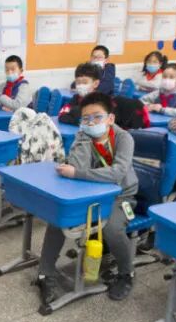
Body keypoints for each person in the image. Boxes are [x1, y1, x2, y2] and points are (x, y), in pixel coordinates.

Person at [38, 93, 138, 303]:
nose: (91, 122)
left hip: (120, 196)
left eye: (97, 117)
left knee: (111, 228)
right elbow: (77, 165)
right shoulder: (83, 136)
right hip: (89, 193)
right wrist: (83, 140)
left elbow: (117, 173)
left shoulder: (123, 138)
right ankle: (45, 273)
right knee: (59, 217)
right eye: (86, 118)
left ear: (110, 118)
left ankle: (126, 273)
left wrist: (77, 173)